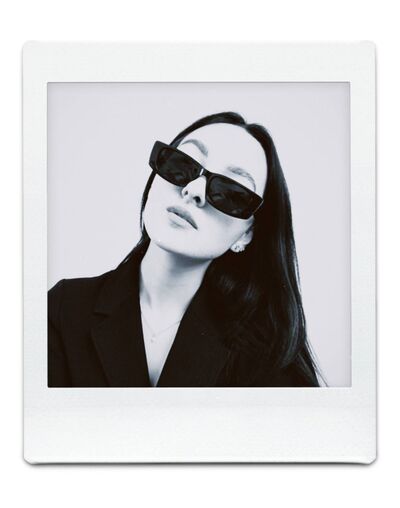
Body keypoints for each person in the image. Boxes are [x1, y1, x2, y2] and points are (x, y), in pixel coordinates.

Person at [48, 111, 321, 387]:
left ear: (247, 233)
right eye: (182, 164)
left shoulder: (271, 356)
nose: (193, 190)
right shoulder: (64, 309)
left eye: (231, 191)